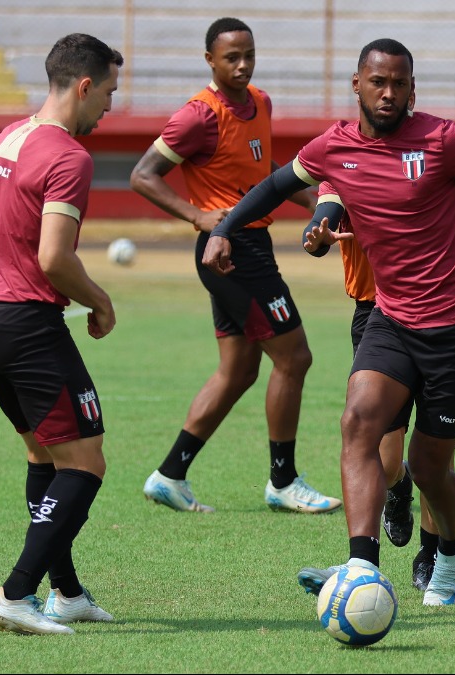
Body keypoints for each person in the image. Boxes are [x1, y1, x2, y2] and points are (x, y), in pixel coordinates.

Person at [202, 38, 455, 606]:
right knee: (359, 422)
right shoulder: (334, 148)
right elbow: (274, 187)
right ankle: (361, 566)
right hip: (391, 319)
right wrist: (222, 230)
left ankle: (451, 550)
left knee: (429, 466)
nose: (388, 93)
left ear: (412, 89)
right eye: (378, 82)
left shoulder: (443, 140)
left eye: (399, 83)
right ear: (356, 83)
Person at [0, 34, 123, 635]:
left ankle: (64, 592)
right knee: (86, 463)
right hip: (26, 323)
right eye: (109, 94)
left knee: (43, 451)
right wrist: (100, 299)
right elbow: (53, 259)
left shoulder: (1, 141)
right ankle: (15, 595)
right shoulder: (70, 158)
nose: (110, 108)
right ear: (85, 86)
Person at [130, 17, 340, 515]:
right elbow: (143, 175)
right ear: (210, 61)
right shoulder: (197, 116)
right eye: (231, 57)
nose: (242, 65)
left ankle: (170, 474)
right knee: (295, 357)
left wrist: (316, 201)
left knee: (240, 369)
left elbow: (262, 168)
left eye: (248, 54)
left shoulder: (260, 103)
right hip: (229, 251)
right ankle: (283, 482)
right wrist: (199, 215)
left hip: (251, 246)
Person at [302, 180, 455, 590]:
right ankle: (397, 486)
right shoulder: (347, 165)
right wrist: (317, 237)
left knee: (434, 456)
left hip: (444, 320)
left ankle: (432, 551)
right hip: (378, 319)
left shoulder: (438, 166)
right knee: (382, 459)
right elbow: (321, 218)